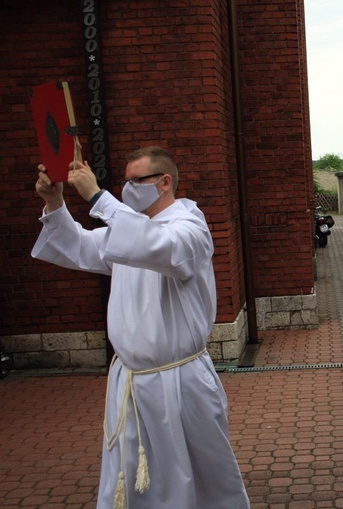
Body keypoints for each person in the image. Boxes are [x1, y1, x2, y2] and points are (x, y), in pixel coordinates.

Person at [31, 147, 250, 509]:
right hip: (131, 382)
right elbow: (80, 246)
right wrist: (56, 203)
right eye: (125, 181)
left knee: (198, 480)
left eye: (137, 180)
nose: (128, 188)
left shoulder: (189, 228)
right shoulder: (130, 231)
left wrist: (99, 198)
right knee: (133, 478)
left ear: (164, 182)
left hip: (179, 382)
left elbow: (162, 248)